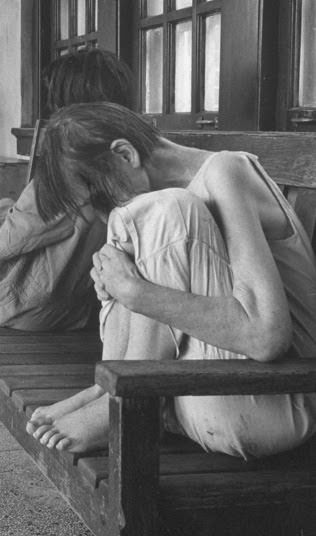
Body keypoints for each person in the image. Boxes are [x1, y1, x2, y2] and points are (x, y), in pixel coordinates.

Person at [24, 101, 316, 459]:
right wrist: (117, 284)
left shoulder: (225, 171)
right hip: (200, 392)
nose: (102, 215)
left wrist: (135, 292)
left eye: (97, 196)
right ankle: (107, 393)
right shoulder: (152, 204)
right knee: (132, 226)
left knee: (163, 210)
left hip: (278, 399)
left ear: (124, 154)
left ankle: (121, 403)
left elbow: (266, 337)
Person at [0, 49, 135, 331]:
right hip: (75, 307)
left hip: (27, 305)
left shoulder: (66, 170)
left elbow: (6, 244)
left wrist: (6, 216)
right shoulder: (130, 159)